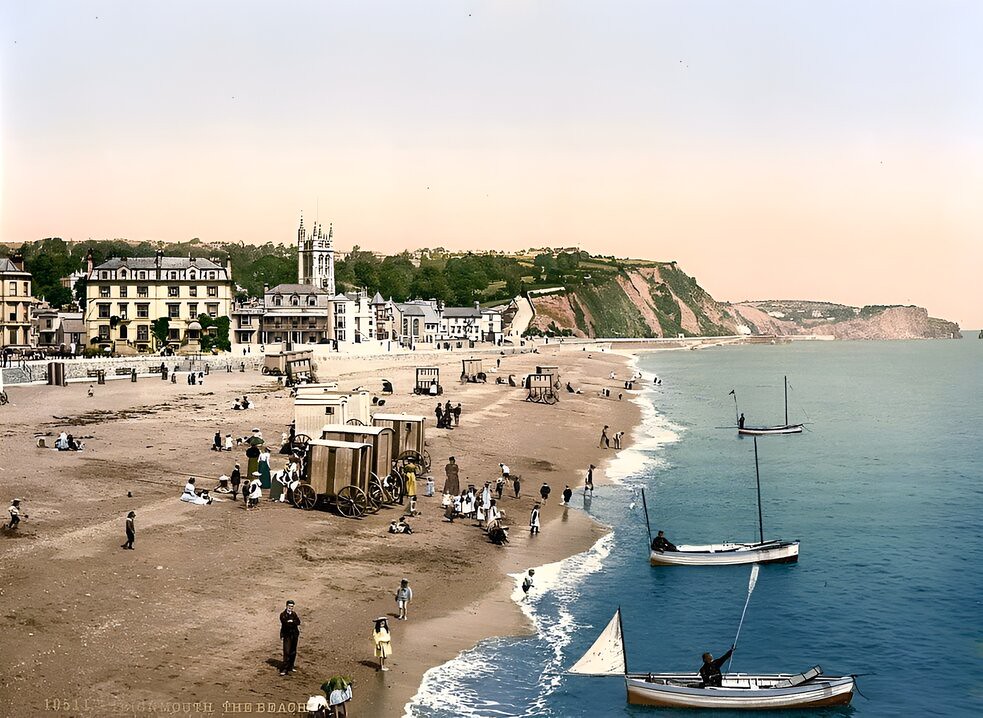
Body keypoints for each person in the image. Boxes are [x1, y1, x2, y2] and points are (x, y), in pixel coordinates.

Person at [279, 600, 301, 675]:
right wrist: (292, 622)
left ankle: (291, 666)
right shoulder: (283, 614)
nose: (290, 608)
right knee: (287, 651)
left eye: (292, 606)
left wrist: (291, 622)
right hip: (287, 635)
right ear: (286, 606)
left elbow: (298, 622)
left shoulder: (294, 614)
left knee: (293, 651)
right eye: (289, 606)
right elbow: (285, 624)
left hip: (294, 635)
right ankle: (285, 669)